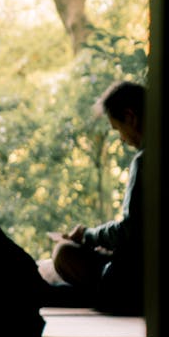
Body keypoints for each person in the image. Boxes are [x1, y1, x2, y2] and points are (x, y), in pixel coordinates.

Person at [46, 79, 145, 315]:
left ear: (130, 117)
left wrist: (89, 236)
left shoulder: (145, 160)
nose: (121, 138)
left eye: (117, 128)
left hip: (136, 277)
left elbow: (129, 231)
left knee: (63, 253)